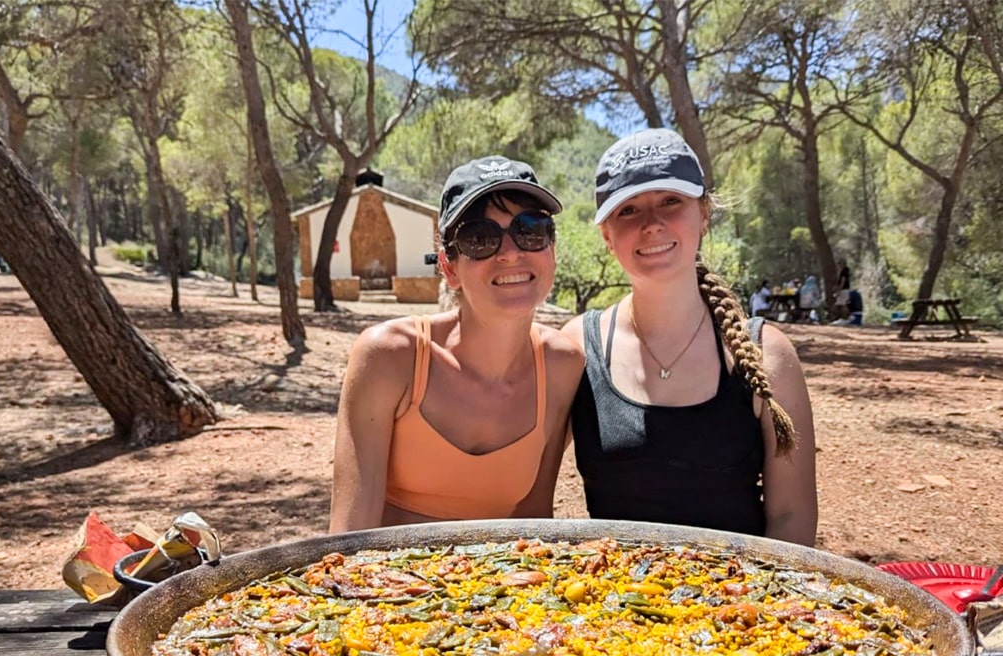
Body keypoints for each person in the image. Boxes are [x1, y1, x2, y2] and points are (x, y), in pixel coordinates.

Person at [564, 129, 817, 544]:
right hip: (610, 601)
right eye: (628, 210)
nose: (652, 224)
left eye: (670, 201)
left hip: (743, 604)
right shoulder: (578, 348)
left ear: (704, 214)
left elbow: (792, 519)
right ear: (607, 236)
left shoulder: (766, 354)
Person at [330, 156, 585, 532]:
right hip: (386, 586)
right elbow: (349, 538)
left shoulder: (563, 367)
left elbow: (534, 527)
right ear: (450, 268)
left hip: (499, 585)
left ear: (551, 251)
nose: (511, 252)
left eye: (530, 230)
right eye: (480, 238)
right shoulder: (390, 357)